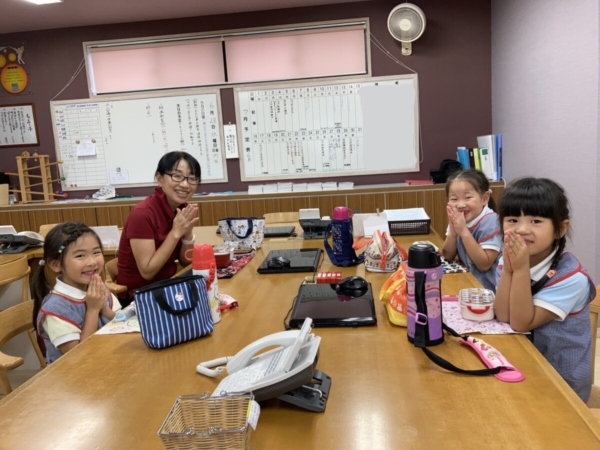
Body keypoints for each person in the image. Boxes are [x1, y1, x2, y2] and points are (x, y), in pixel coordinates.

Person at [494, 177, 595, 402]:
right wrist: (509, 270)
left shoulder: (572, 278)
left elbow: (521, 323)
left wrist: (519, 269)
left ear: (560, 229)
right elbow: (503, 315)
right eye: (512, 220)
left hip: (562, 383)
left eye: (536, 221)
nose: (522, 229)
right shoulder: (510, 258)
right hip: (525, 367)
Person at [117, 151, 200, 306]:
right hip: (139, 297)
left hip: (169, 286)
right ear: (160, 179)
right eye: (177, 176)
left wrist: (187, 234)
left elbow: (186, 262)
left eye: (192, 178)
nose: (185, 184)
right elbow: (147, 272)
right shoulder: (142, 214)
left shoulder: (182, 208)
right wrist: (176, 233)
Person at [31, 222, 120, 364]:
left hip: (106, 362)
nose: (92, 262)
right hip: (72, 374)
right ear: (56, 264)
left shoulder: (97, 288)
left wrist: (104, 309)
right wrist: (93, 310)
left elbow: (121, 326)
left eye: (96, 252)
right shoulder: (55, 309)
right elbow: (79, 357)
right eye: (80, 256)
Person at [442, 169, 502, 291]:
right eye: (454, 199)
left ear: (485, 198)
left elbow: (484, 265)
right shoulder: (458, 219)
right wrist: (453, 233)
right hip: (469, 283)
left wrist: (463, 232)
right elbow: (448, 255)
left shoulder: (491, 222)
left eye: (467, 197)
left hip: (490, 290)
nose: (460, 205)